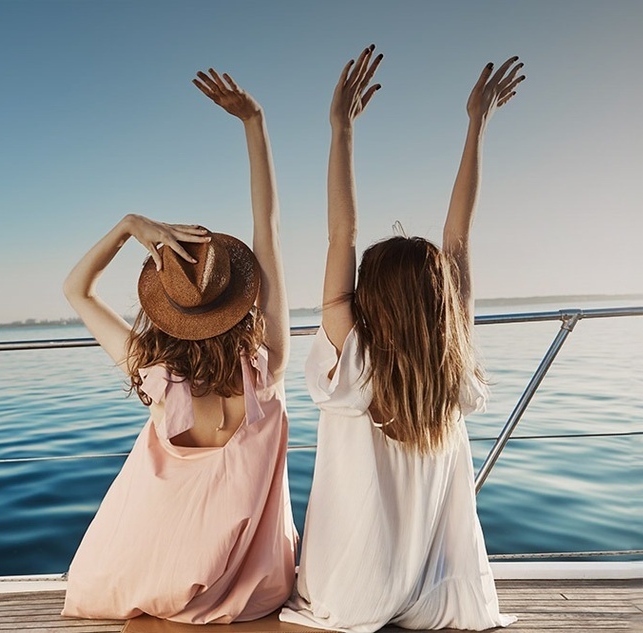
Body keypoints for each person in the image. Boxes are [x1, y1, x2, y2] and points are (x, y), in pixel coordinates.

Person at [280, 45, 525, 632]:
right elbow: (458, 240)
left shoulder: (355, 359)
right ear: (442, 301)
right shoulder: (451, 362)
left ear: (370, 296)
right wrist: (478, 124)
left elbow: (343, 234)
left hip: (353, 589)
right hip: (430, 585)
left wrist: (340, 129)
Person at [59, 68, 295, 624]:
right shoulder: (267, 366)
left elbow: (76, 289)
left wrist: (126, 226)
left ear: (166, 310)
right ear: (237, 296)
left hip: (158, 576)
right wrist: (254, 123)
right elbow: (270, 229)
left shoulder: (153, 371)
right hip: (254, 589)